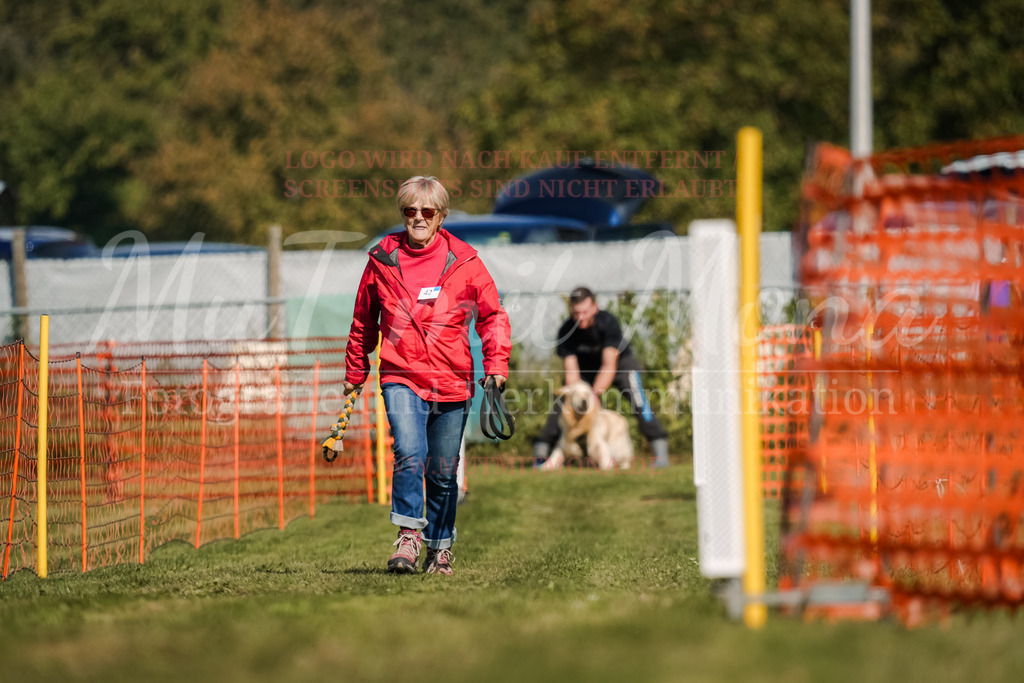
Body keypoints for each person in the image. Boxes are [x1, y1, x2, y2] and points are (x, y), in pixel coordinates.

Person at [343, 176, 511, 575]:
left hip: (453, 380)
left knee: (442, 470)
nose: (417, 218)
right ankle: (408, 536)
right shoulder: (382, 259)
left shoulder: (467, 261)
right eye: (409, 211)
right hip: (401, 374)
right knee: (409, 453)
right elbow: (364, 320)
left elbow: (492, 317)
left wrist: (496, 366)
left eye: (427, 212)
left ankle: (440, 548)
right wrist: (355, 368)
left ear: (441, 217)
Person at [533, 286, 670, 468]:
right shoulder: (566, 330)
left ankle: (660, 453)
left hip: (620, 364)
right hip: (586, 370)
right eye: (576, 313)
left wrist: (594, 395)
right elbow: (572, 373)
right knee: (564, 400)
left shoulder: (608, 323)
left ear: (594, 307)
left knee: (639, 401)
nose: (580, 317)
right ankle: (541, 454)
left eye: (585, 312)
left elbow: (608, 365)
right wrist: (577, 396)